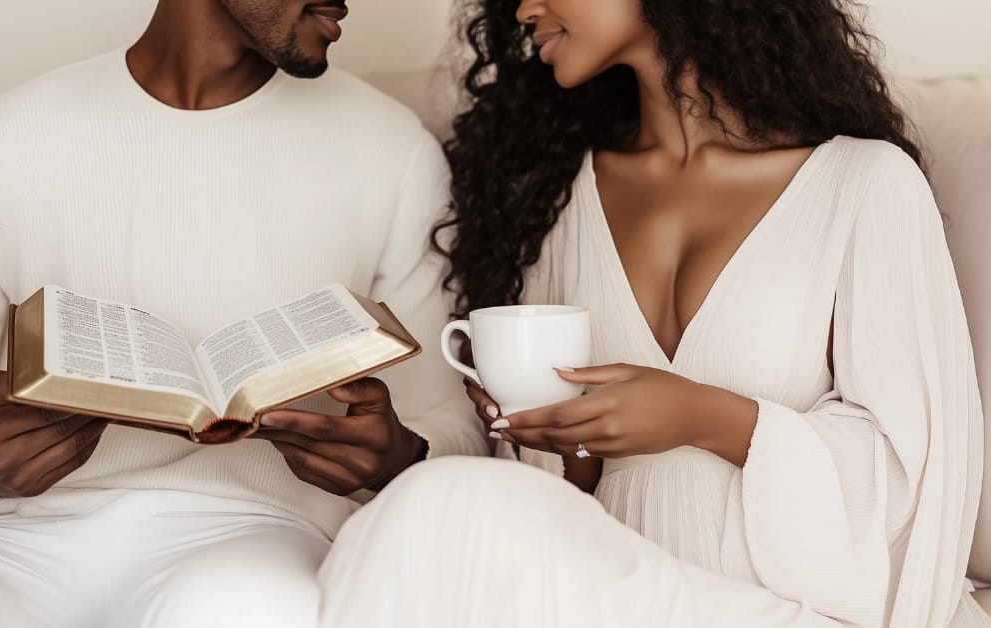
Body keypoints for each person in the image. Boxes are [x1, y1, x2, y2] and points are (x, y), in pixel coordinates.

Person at [0, 0, 487, 626]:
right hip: (14, 544)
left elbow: (453, 426)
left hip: (260, 538)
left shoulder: (391, 151)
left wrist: (399, 458)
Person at [319, 0, 988, 626]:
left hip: (786, 605)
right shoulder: (560, 203)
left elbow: (915, 484)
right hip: (607, 589)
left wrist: (702, 416)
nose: (523, 9)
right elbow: (575, 492)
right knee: (432, 519)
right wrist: (566, 439)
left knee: (438, 507)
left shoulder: (866, 184)